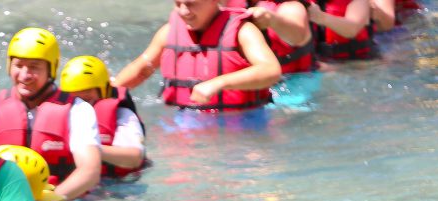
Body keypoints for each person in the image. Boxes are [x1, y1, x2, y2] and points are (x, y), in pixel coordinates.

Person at [0, 27, 102, 201]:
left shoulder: (78, 111)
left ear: (51, 70)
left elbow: (90, 171)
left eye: (34, 67)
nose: (24, 75)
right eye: (19, 65)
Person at [113, 0, 281, 111]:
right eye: (178, 4)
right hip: (188, 120)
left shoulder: (242, 31)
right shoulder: (169, 32)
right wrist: (106, 91)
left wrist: (218, 83)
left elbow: (270, 70)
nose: (184, 11)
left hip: (245, 121)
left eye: (191, 3)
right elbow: (142, 69)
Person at [58, 56, 147, 177]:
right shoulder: (59, 113)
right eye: (74, 100)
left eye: (86, 99)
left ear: (104, 91)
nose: (80, 106)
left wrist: (89, 150)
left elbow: (135, 158)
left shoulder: (122, 115)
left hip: (120, 183)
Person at [221, 0, 316, 74]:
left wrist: (273, 20)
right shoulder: (224, 4)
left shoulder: (291, 6)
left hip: (292, 83)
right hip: (248, 84)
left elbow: (298, 37)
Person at [308, 0, 375, 60]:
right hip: (323, 62)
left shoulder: (360, 2)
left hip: (359, 62)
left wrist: (321, 17)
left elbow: (352, 29)